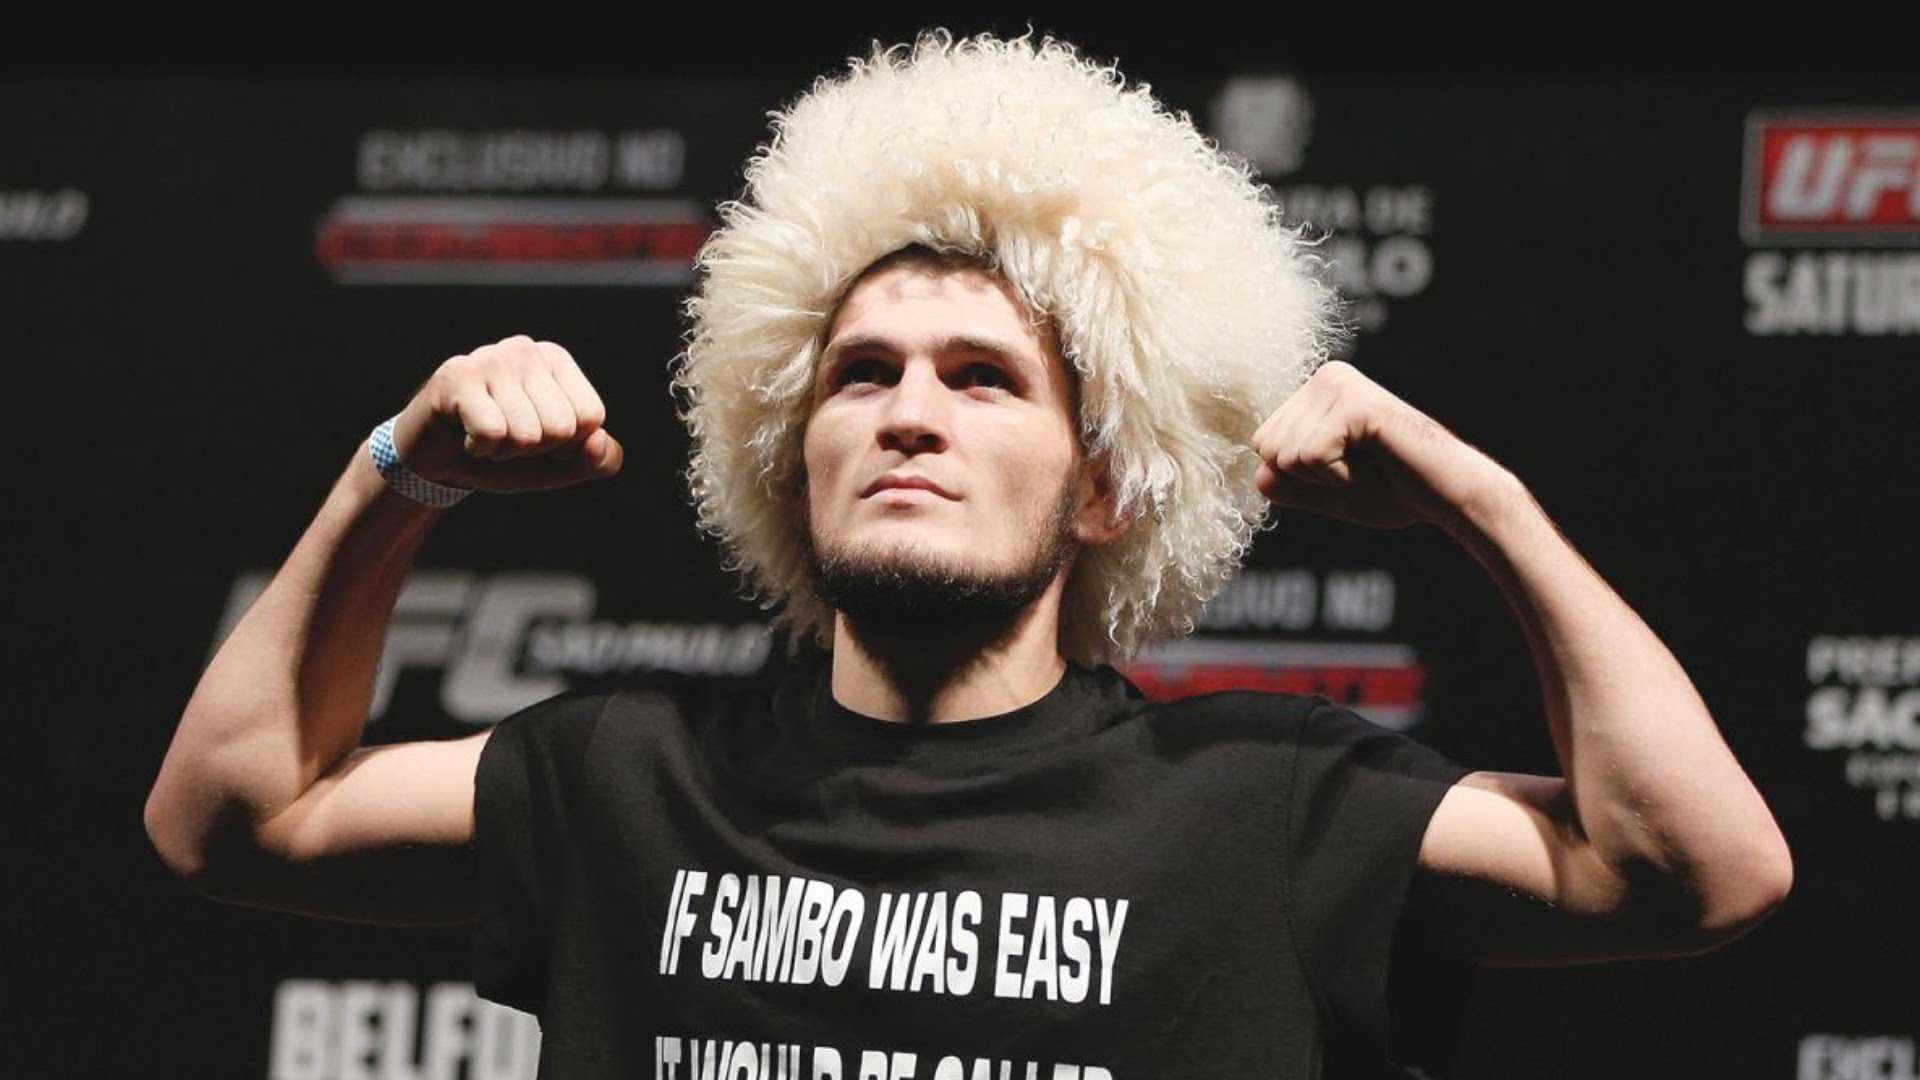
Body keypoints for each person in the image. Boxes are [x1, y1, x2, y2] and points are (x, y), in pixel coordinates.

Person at [146, 31, 1791, 1080]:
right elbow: (228, 816)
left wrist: (1484, 504)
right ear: (791, 457)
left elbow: (1698, 870)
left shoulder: (1268, 808)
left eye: (984, 379)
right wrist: (400, 476)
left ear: (1106, 488)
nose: (909, 415)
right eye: (861, 374)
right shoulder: (626, 777)